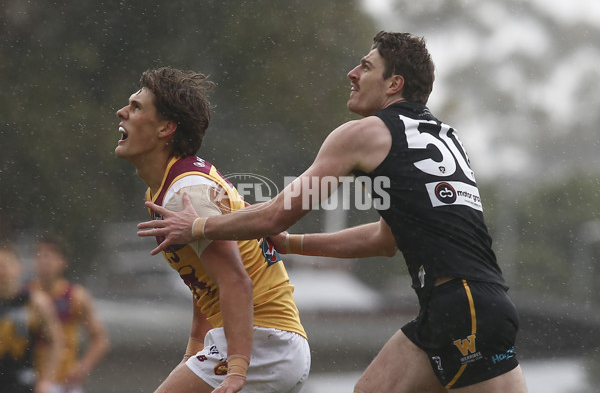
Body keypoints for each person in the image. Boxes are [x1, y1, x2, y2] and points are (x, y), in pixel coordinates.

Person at [136, 32, 528, 392]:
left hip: (460, 308)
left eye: (367, 66)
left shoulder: (363, 133)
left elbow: (276, 214)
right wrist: (291, 245)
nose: (353, 73)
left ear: (395, 85)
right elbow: (384, 239)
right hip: (483, 303)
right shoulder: (443, 135)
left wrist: (199, 226)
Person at [114, 67, 310, 393]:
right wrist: (193, 351)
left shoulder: (185, 190)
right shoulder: (169, 187)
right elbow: (205, 283)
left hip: (264, 342)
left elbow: (235, 279)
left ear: (166, 128)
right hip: (265, 342)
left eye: (136, 107)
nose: (122, 111)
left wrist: (236, 370)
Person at [29, 234, 110, 393]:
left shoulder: (76, 296)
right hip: (29, 377)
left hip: (63, 381)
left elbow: (100, 340)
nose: (44, 261)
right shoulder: (25, 294)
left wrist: (82, 368)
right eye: (39, 255)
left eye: (49, 256)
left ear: (63, 262)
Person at [0, 240, 64, 393]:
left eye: (6, 264)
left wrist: (46, 380)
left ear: (19, 267)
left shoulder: (37, 302)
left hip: (23, 379)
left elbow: (56, 342)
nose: (2, 271)